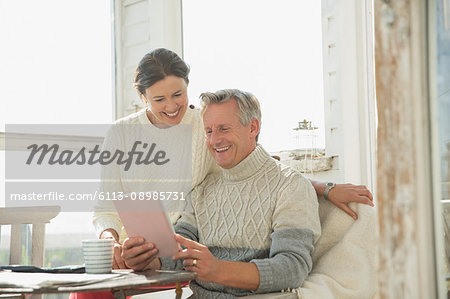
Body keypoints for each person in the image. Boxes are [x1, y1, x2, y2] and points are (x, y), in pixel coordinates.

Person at [93, 48, 373, 269]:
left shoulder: (204, 127)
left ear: (188, 86)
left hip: (180, 250)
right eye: (158, 99)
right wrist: (110, 241)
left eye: (178, 94)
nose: (171, 106)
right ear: (143, 98)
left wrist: (326, 189)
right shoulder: (121, 134)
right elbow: (105, 206)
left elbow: (258, 168)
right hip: (133, 252)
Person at [122, 89, 322, 298]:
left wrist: (218, 270)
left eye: (223, 129)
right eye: (208, 131)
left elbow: (292, 268)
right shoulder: (203, 189)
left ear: (253, 127)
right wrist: (147, 259)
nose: (214, 140)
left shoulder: (290, 185)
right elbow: (179, 251)